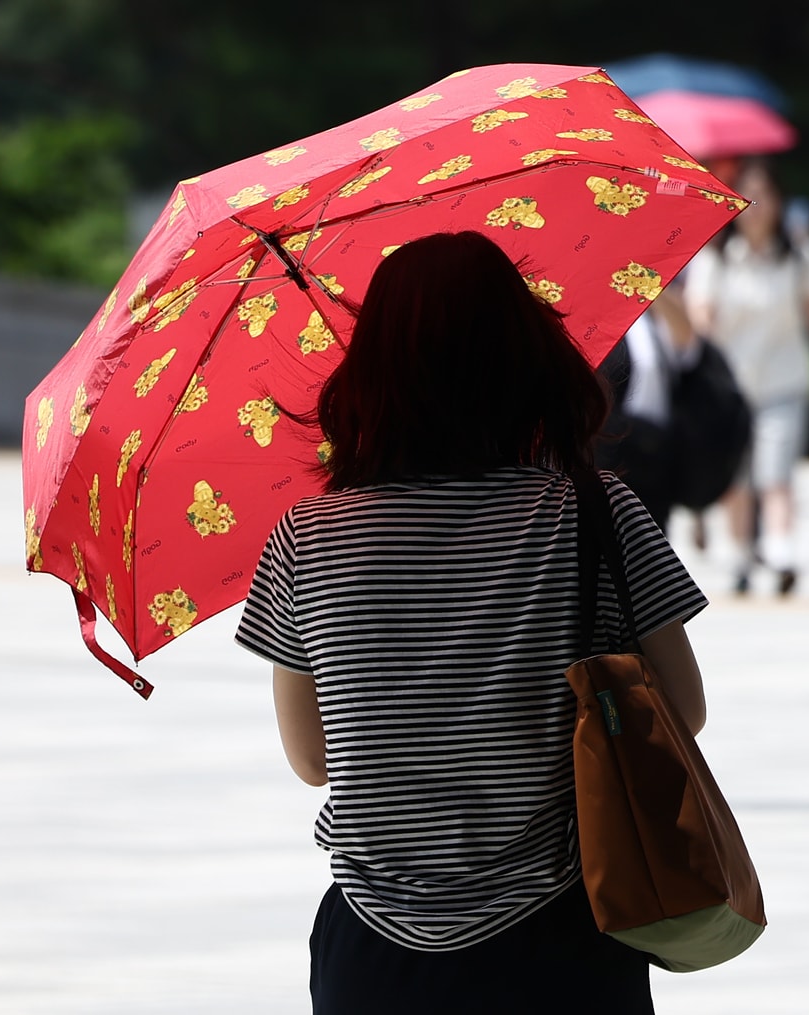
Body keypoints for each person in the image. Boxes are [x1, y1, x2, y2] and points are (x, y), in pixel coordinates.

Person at [235, 231, 709, 1015]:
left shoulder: (308, 537)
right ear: (527, 358)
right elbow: (683, 710)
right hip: (563, 939)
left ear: (373, 370)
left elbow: (313, 757)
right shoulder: (593, 512)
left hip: (372, 954)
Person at [685, 159, 809, 595]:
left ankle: (780, 551)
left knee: (775, 472)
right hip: (732, 386)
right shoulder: (716, 258)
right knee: (738, 476)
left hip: (784, 380)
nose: (757, 209)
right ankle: (740, 554)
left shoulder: (801, 256)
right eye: (749, 198)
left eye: (766, 198)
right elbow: (701, 320)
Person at [596, 286, 701, 531]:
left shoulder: (654, 319)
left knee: (654, 537)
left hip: (655, 451)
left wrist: (653, 285)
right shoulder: (597, 320)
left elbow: (690, 345)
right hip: (610, 452)